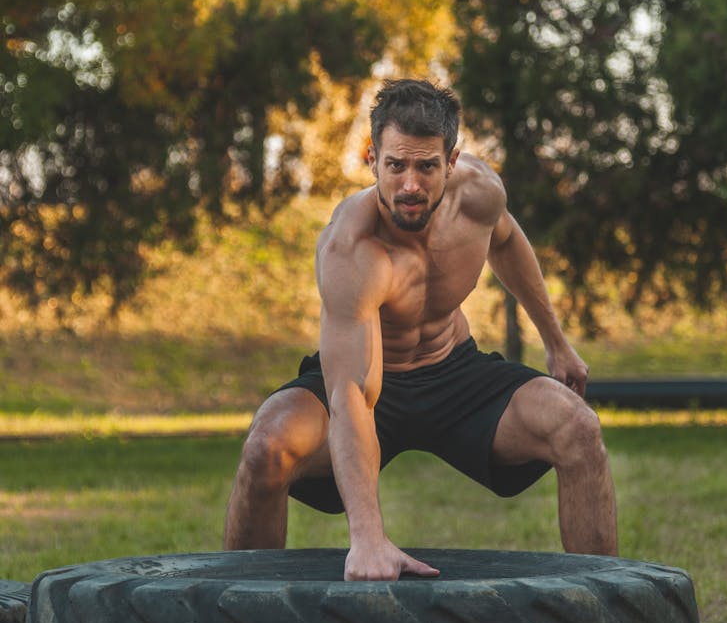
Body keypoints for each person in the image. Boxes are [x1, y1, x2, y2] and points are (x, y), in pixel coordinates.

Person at [224, 79, 617, 580]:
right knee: (268, 445)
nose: (410, 184)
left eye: (427, 166)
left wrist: (556, 343)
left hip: (454, 373)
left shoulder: (478, 195)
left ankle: (608, 614)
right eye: (396, 166)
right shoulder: (352, 247)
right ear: (372, 159)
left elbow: (507, 240)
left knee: (579, 428)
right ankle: (239, 622)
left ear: (452, 161)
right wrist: (367, 539)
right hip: (368, 383)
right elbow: (349, 394)